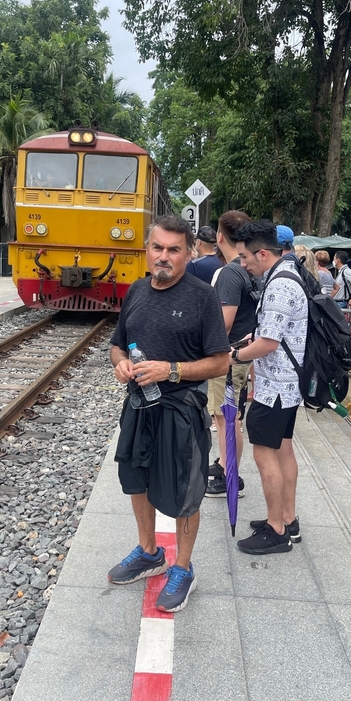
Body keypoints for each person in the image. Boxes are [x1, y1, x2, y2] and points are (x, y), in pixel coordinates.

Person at [108, 214, 230, 611]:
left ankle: (182, 567)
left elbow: (220, 362)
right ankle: (149, 553)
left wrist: (171, 369)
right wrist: (120, 363)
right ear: (147, 250)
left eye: (173, 250)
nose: (164, 256)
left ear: (189, 253)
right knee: (135, 478)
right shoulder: (137, 290)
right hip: (140, 404)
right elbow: (117, 344)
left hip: (182, 408)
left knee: (184, 489)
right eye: (157, 247)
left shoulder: (201, 296)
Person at [231, 219, 308, 555]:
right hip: (289, 385)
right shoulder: (289, 274)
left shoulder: (279, 286)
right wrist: (254, 339)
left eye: (246, 258)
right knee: (283, 449)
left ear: (263, 253)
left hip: (275, 388)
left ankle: (276, 530)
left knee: (264, 454)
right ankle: (287, 520)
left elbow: (268, 344)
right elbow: (274, 332)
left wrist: (235, 355)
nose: (243, 264)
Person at [205, 210, 257, 499]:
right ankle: (227, 466)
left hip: (228, 357)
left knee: (225, 417)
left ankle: (228, 475)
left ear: (219, 236)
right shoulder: (245, 268)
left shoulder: (228, 273)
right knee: (230, 416)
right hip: (242, 354)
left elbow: (223, 324)